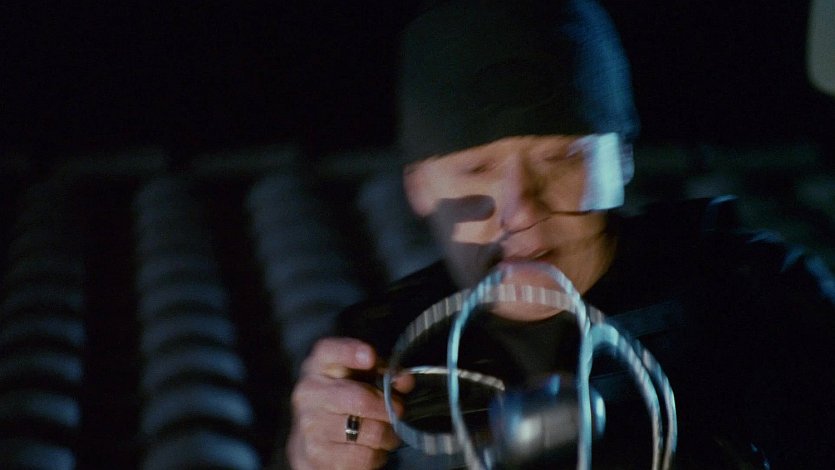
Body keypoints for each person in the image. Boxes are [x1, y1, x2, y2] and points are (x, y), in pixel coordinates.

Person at [286, 0, 835, 468]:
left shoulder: (757, 295)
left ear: (621, 159)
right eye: (476, 170)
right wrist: (308, 458)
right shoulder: (376, 364)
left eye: (560, 159)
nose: (520, 210)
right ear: (418, 187)